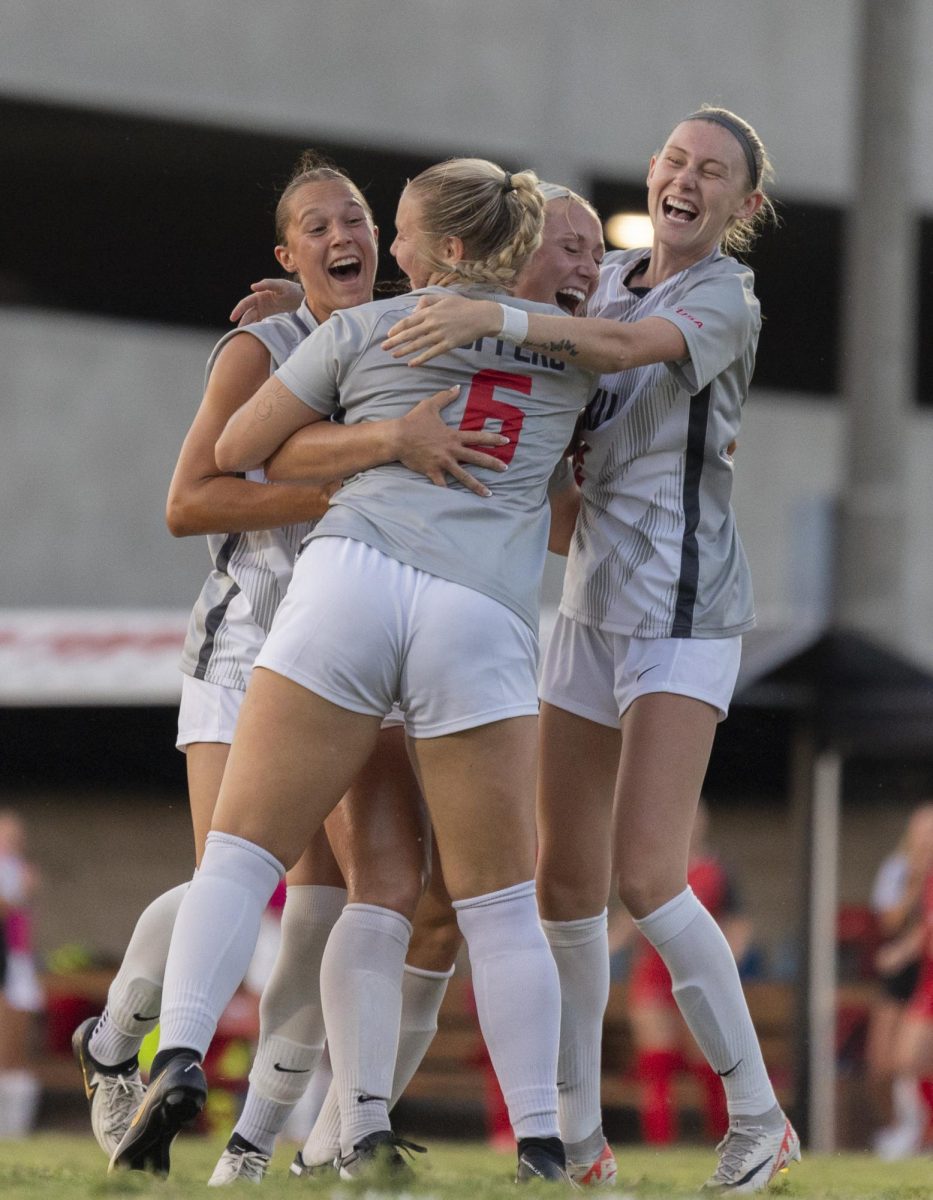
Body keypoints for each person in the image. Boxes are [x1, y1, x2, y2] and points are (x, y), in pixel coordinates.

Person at [108, 157, 595, 1185]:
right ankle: (545, 1143)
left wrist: (366, 438)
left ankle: (184, 1054)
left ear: (445, 249)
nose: (388, 251)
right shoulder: (577, 353)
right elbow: (629, 351)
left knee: (240, 859)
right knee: (495, 907)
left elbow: (243, 448)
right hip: (478, 610)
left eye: (398, 230)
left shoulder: (359, 332)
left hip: (352, 582)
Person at [381, 107, 800, 1193]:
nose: (685, 178)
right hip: (587, 603)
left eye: (712, 172)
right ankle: (574, 1143)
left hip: (684, 610)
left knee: (650, 877)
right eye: (673, 160)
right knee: (561, 888)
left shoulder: (721, 296)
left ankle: (760, 1118)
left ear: (743, 207)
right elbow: (480, 318)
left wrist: (511, 322)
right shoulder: (601, 275)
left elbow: (605, 349)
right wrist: (316, 315)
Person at [243, 181, 610, 1186]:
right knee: (322, 887)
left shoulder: (576, 358)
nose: (586, 268)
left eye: (596, 254)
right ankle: (251, 1125)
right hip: (297, 625)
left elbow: (568, 513)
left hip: (413, 620)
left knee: (441, 904)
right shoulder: (359, 333)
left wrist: (629, 463)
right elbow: (206, 483)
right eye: (568, 247)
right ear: (507, 255)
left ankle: (344, 1136)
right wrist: (385, 446)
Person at [871, 803, 933, 1158]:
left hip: (922, 971)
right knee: (889, 1062)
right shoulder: (899, 870)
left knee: (914, 1058)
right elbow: (891, 924)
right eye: (921, 830)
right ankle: (906, 1129)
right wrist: (914, 881)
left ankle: (917, 1133)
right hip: (908, 978)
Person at [0, 811, 43, 1138]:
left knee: (17, 1050)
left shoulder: (21, 871)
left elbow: (19, 914)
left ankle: (15, 1130)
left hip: (17, 962)